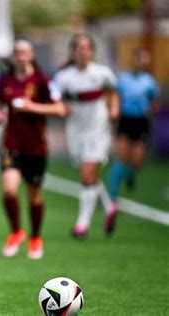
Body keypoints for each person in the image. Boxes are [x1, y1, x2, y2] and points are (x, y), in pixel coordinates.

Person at [0, 39, 67, 259]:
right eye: (17, 52)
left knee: (34, 196)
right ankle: (16, 232)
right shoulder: (5, 79)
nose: (21, 56)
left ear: (32, 55)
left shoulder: (42, 80)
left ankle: (35, 238)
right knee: (8, 190)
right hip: (11, 143)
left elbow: (60, 109)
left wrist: (31, 106)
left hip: (36, 147)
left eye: (25, 52)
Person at [53, 33, 119, 239]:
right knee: (88, 176)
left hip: (98, 129)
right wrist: (62, 107)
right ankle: (109, 207)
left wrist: (114, 108)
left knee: (87, 175)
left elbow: (113, 92)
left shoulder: (102, 73)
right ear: (74, 51)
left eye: (86, 47)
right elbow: (55, 98)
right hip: (75, 130)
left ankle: (82, 224)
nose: (82, 51)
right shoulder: (64, 76)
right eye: (78, 48)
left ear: (91, 51)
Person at [107, 48, 160, 225]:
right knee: (122, 157)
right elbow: (115, 97)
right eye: (141, 59)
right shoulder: (123, 79)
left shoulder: (150, 81)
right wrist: (114, 111)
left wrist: (152, 109)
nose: (143, 63)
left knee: (137, 161)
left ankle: (130, 175)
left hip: (141, 122)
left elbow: (154, 101)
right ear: (135, 60)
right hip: (126, 120)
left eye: (146, 60)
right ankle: (112, 193)